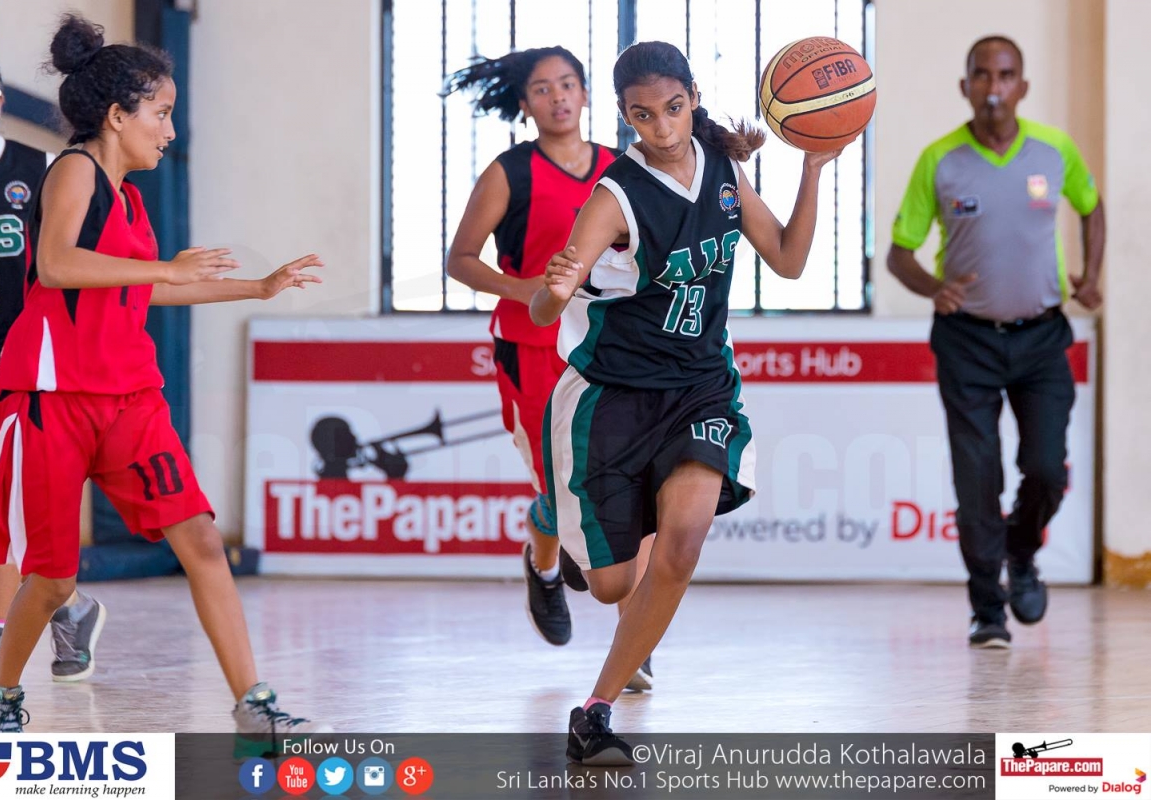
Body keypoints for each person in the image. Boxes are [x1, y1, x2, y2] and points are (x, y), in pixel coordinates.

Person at [0, 15, 327, 735]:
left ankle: (254, 705)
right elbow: (55, 265)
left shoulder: (127, 197)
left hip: (130, 399)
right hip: (53, 400)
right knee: (53, 577)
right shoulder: (74, 170)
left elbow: (142, 290)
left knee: (202, 542)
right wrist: (166, 268)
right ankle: (0, 694)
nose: (170, 130)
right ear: (119, 116)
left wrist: (257, 287)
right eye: (161, 113)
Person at [531, 41, 842, 765]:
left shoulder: (724, 170)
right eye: (644, 115)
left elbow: (790, 261)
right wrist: (553, 287)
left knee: (682, 544)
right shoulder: (614, 196)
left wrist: (812, 169)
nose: (663, 126)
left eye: (673, 108)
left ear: (693, 98)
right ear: (625, 116)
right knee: (612, 585)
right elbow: (547, 312)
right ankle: (552, 521)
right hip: (613, 396)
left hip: (701, 386)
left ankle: (595, 712)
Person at [445, 46, 653, 690]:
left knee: (632, 488)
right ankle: (543, 566)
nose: (558, 96)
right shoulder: (510, 172)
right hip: (532, 347)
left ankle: (634, 640)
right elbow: (460, 259)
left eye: (568, 84)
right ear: (525, 104)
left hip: (609, 347)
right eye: (542, 88)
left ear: (587, 94)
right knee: (563, 494)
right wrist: (524, 288)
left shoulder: (624, 168)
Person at [887, 35, 1104, 649]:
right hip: (967, 342)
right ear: (965, 86)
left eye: (1006, 75)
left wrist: (1091, 275)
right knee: (977, 478)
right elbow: (900, 254)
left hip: (1042, 338)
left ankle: (1021, 552)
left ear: (1022, 86)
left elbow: (1092, 207)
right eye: (982, 75)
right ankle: (988, 608)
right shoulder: (940, 160)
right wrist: (935, 288)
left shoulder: (1054, 151)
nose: (993, 87)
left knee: (1046, 468)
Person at [0, 50, 107, 693]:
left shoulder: (41, 170)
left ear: (0, 100)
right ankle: (67, 608)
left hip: (12, 359)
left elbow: (78, 262)